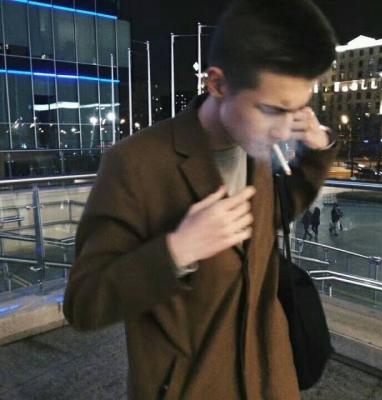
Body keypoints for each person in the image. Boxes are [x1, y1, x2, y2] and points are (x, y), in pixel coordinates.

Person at [63, 1, 337, 399]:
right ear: (218, 84)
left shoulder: (257, 146)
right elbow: (83, 303)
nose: (284, 130)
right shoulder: (135, 163)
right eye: (272, 109)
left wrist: (318, 147)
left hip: (269, 378)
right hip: (189, 386)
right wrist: (177, 251)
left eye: (297, 109)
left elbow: (269, 223)